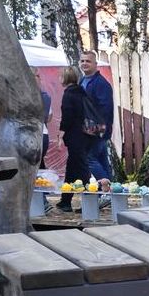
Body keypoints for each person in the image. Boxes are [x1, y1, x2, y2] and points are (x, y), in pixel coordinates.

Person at [58, 66, 92, 209]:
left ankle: (90, 200)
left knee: (82, 168)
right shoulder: (81, 92)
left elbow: (67, 116)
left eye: (61, 76)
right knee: (72, 169)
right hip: (85, 135)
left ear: (65, 78)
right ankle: (65, 200)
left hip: (74, 136)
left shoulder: (69, 94)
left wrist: (61, 134)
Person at [78, 50, 114, 180]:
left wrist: (99, 129)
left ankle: (105, 187)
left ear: (95, 64)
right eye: (82, 61)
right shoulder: (82, 80)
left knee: (89, 158)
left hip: (97, 130)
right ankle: (111, 189)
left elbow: (106, 109)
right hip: (86, 129)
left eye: (88, 61)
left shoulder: (101, 84)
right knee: (101, 159)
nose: (84, 63)